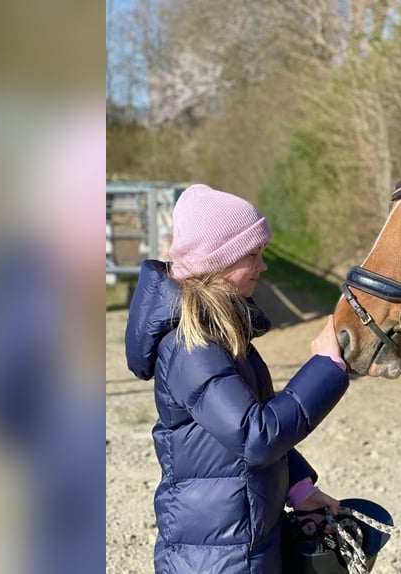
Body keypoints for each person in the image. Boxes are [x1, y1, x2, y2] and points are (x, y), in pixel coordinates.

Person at [125, 184, 350, 574]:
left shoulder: (220, 332)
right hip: (216, 556)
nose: (263, 267)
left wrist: (298, 487)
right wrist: (326, 366)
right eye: (253, 255)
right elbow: (254, 435)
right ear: (219, 261)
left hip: (242, 540)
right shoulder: (189, 345)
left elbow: (240, 430)